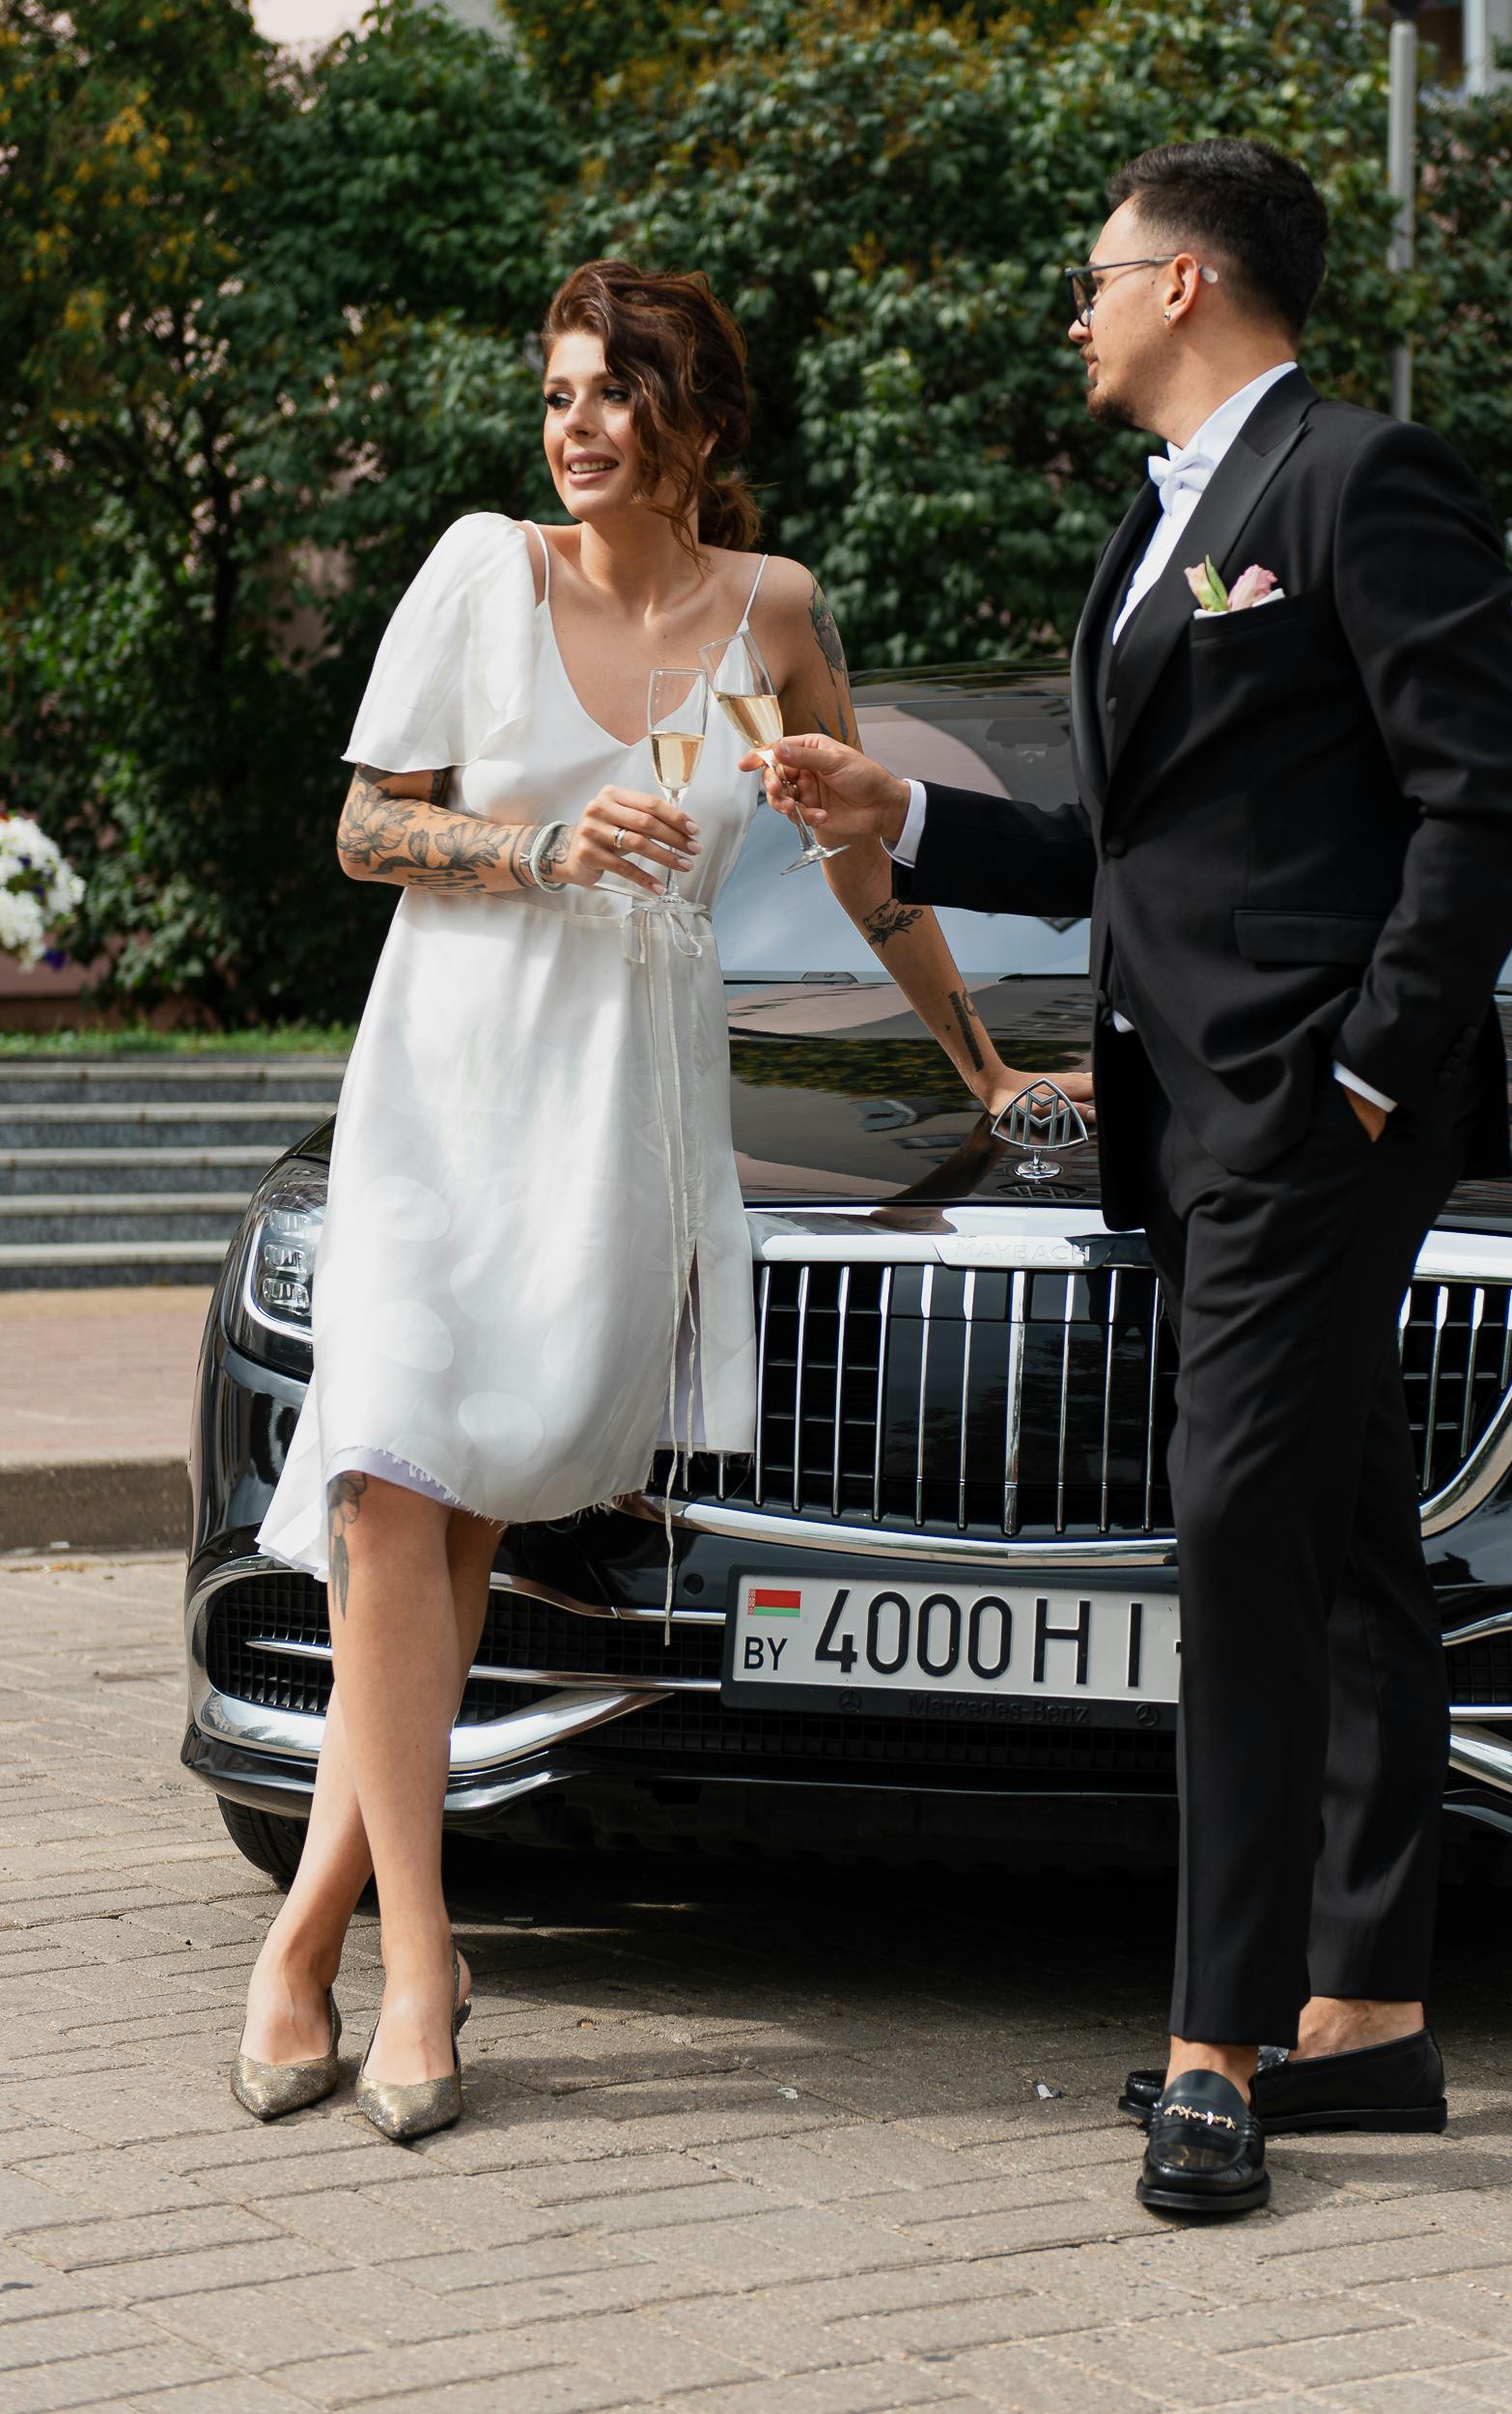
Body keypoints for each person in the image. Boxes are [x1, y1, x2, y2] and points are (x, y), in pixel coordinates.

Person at [746, 142, 1512, 2221]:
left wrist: (1366, 1073)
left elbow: (1486, 803)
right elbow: (1138, 844)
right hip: (1185, 1113)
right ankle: (1368, 2017)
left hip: (1301, 1115)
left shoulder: (1360, 481)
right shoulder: (1159, 524)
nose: (1073, 311)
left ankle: (1219, 2042)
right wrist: (900, 811)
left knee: (1230, 1537)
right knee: (1347, 1545)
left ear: (1185, 281)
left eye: (1092, 275)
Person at [233, 260, 1084, 2143]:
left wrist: (986, 1069)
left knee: (462, 1529)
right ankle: (416, 1964)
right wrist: (532, 838)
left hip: (614, 1107)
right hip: (447, 1079)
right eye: (558, 390)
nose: (577, 420)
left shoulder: (769, 616)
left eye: (616, 388)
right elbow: (369, 823)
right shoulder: (479, 574)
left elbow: (864, 861)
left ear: (698, 415)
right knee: (389, 1483)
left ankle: (309, 1925)